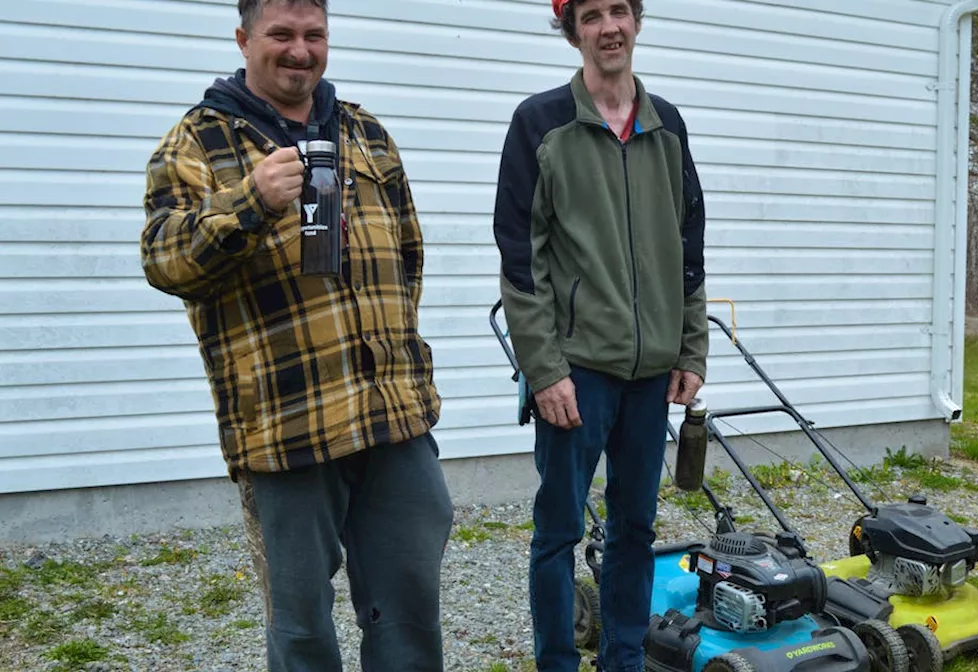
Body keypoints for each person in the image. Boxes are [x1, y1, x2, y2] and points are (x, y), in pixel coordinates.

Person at [139, 1, 453, 670]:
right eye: (281, 34)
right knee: (303, 630)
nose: (299, 50)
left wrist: (400, 356)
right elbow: (165, 262)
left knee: (410, 617)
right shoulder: (196, 142)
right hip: (287, 427)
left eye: (314, 35)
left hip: (393, 418)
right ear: (244, 39)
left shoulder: (363, 131)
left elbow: (408, 256)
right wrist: (250, 201)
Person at [492, 0, 708, 669]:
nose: (608, 25)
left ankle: (624, 659)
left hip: (650, 374)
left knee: (635, 531)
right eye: (591, 14)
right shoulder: (540, 124)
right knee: (557, 534)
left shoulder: (667, 123)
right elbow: (519, 258)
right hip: (576, 372)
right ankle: (557, 661)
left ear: (637, 21)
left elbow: (688, 245)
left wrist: (690, 347)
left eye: (620, 9)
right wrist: (544, 369)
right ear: (573, 30)